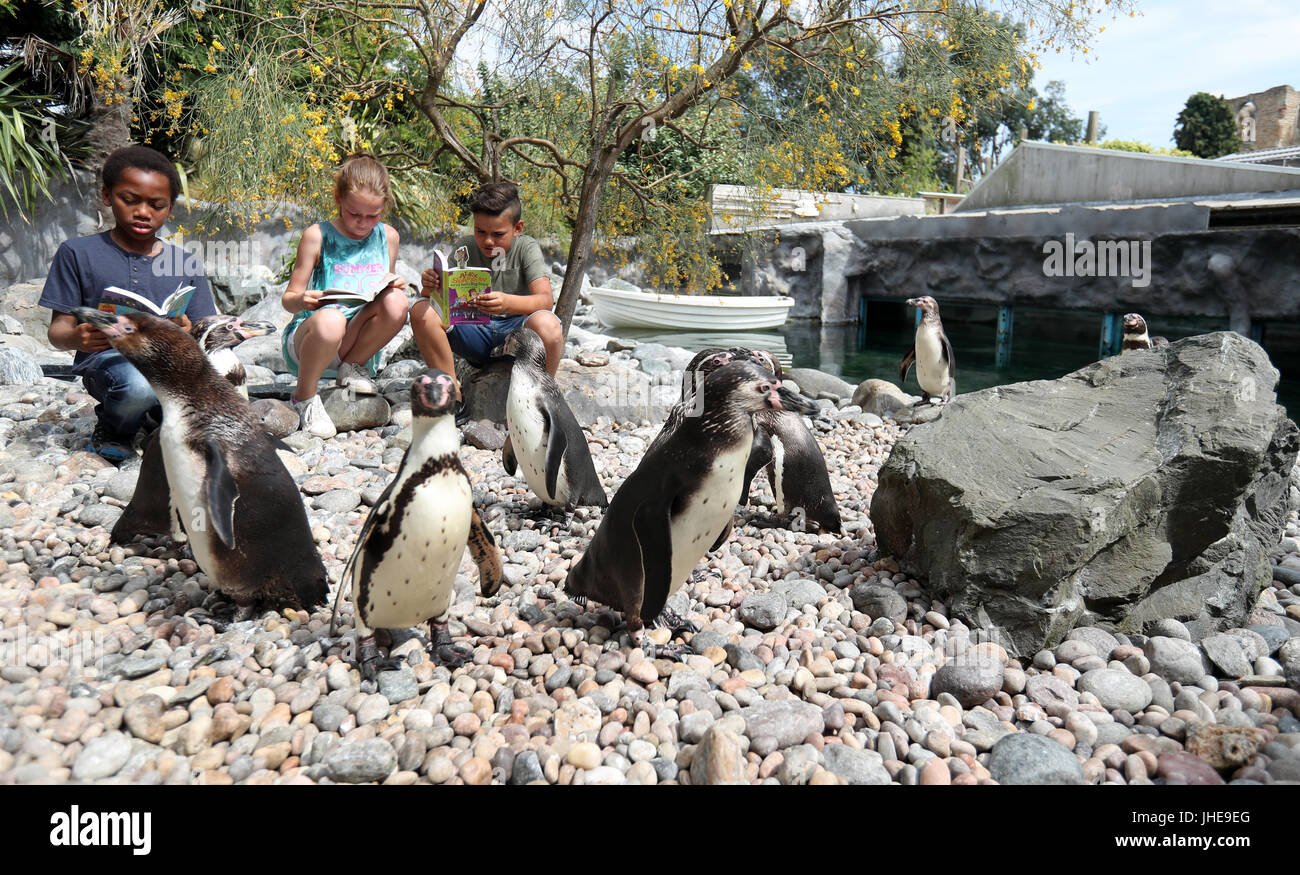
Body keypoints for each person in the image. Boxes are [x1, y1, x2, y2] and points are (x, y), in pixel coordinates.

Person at [40, 145, 218, 464]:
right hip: (111, 363)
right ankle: (114, 430)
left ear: (170, 208)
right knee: (137, 384)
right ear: (107, 195)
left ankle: (153, 418)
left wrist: (189, 331)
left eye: (157, 204)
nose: (143, 212)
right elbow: (57, 331)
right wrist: (77, 338)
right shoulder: (78, 253)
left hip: (169, 366)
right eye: (130, 200)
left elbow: (207, 332)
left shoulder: (185, 263)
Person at [280, 154, 410, 439]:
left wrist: (393, 285)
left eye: (372, 216)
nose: (363, 223)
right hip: (314, 339)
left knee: (397, 301)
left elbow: (382, 294)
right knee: (332, 320)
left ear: (384, 208)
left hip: (356, 341)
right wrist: (303, 300)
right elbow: (289, 298)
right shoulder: (317, 235)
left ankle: (353, 368)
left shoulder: (387, 237)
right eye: (354, 214)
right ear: (338, 199)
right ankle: (304, 397)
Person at [414, 181, 564, 424]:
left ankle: (545, 398)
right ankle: (452, 392)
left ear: (517, 228)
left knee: (549, 325)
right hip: (473, 333)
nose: (488, 241)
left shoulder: (526, 248)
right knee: (420, 309)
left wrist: (507, 303)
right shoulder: (465, 247)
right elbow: (436, 304)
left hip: (514, 337)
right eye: (480, 231)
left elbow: (545, 300)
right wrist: (429, 286)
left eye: (498, 234)